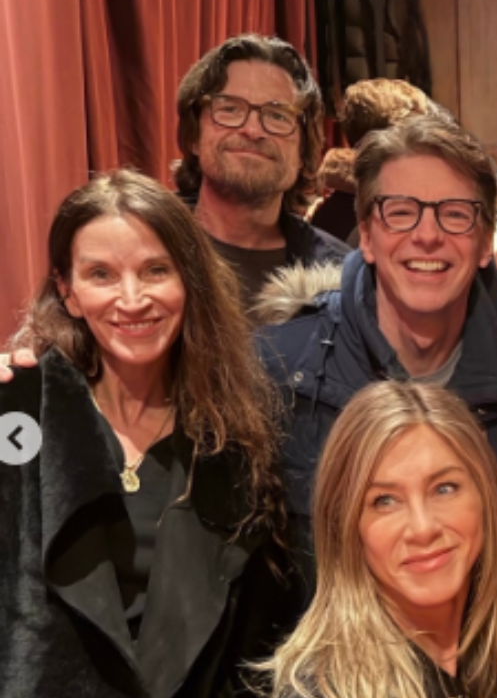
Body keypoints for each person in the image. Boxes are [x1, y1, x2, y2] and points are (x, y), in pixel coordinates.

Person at [0, 169, 289, 697]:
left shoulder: (235, 437)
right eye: (101, 274)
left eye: (155, 270)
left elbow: (252, 641)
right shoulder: (20, 415)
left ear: (189, 280)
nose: (132, 299)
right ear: (68, 292)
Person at [255, 114, 497, 606]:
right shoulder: (276, 369)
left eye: (455, 213)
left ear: (484, 244)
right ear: (367, 236)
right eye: (401, 211)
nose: (427, 235)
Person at [255, 381, 497, 698]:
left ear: (486, 496)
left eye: (445, 488)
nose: (422, 528)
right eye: (385, 501)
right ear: (345, 528)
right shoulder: (320, 691)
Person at [174, 33, 349, 308]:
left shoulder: (345, 281)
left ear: (302, 152)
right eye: (230, 109)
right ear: (194, 136)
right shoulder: (138, 247)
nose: (253, 130)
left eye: (277, 115)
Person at [311, 78, 457, 245]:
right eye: (418, 129)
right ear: (389, 139)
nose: (429, 139)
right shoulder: (389, 214)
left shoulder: (329, 210)